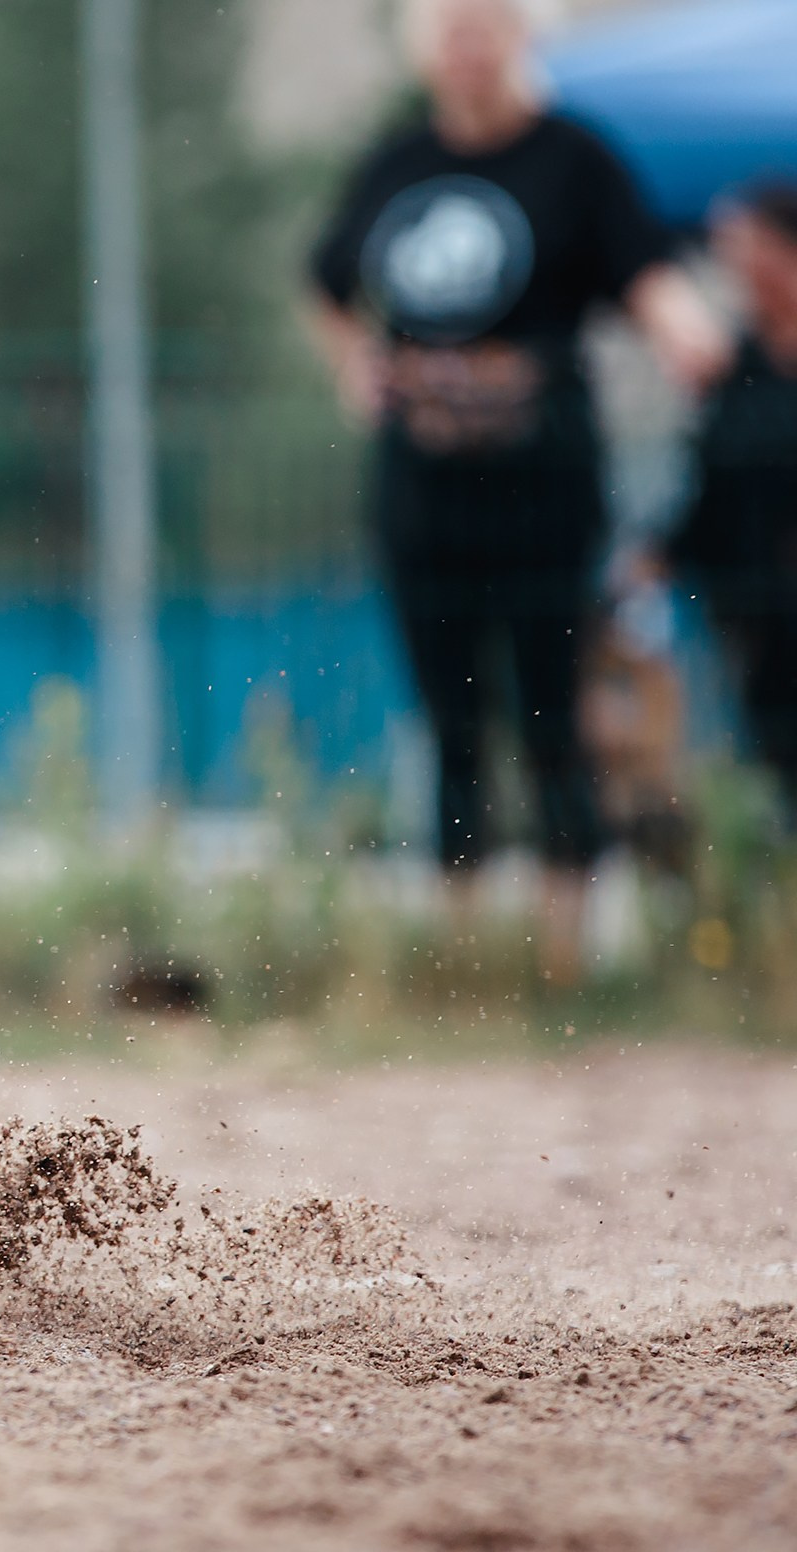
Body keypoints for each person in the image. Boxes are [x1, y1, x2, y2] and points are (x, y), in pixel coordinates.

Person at [305, 0, 728, 983]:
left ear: (518, 40)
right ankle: (462, 967)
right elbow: (327, 282)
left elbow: (648, 276)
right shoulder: (396, 162)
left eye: (486, 26)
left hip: (545, 495)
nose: (469, 46)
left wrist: (688, 333)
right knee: (449, 723)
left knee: (551, 720)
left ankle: (558, 968)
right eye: (451, 29)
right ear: (426, 51)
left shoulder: (574, 161)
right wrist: (353, 366)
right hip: (423, 498)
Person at [639, 182, 797, 814]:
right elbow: (710, 488)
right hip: (761, 610)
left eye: (743, 246)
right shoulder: (735, 367)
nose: (727, 261)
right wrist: (657, 554)